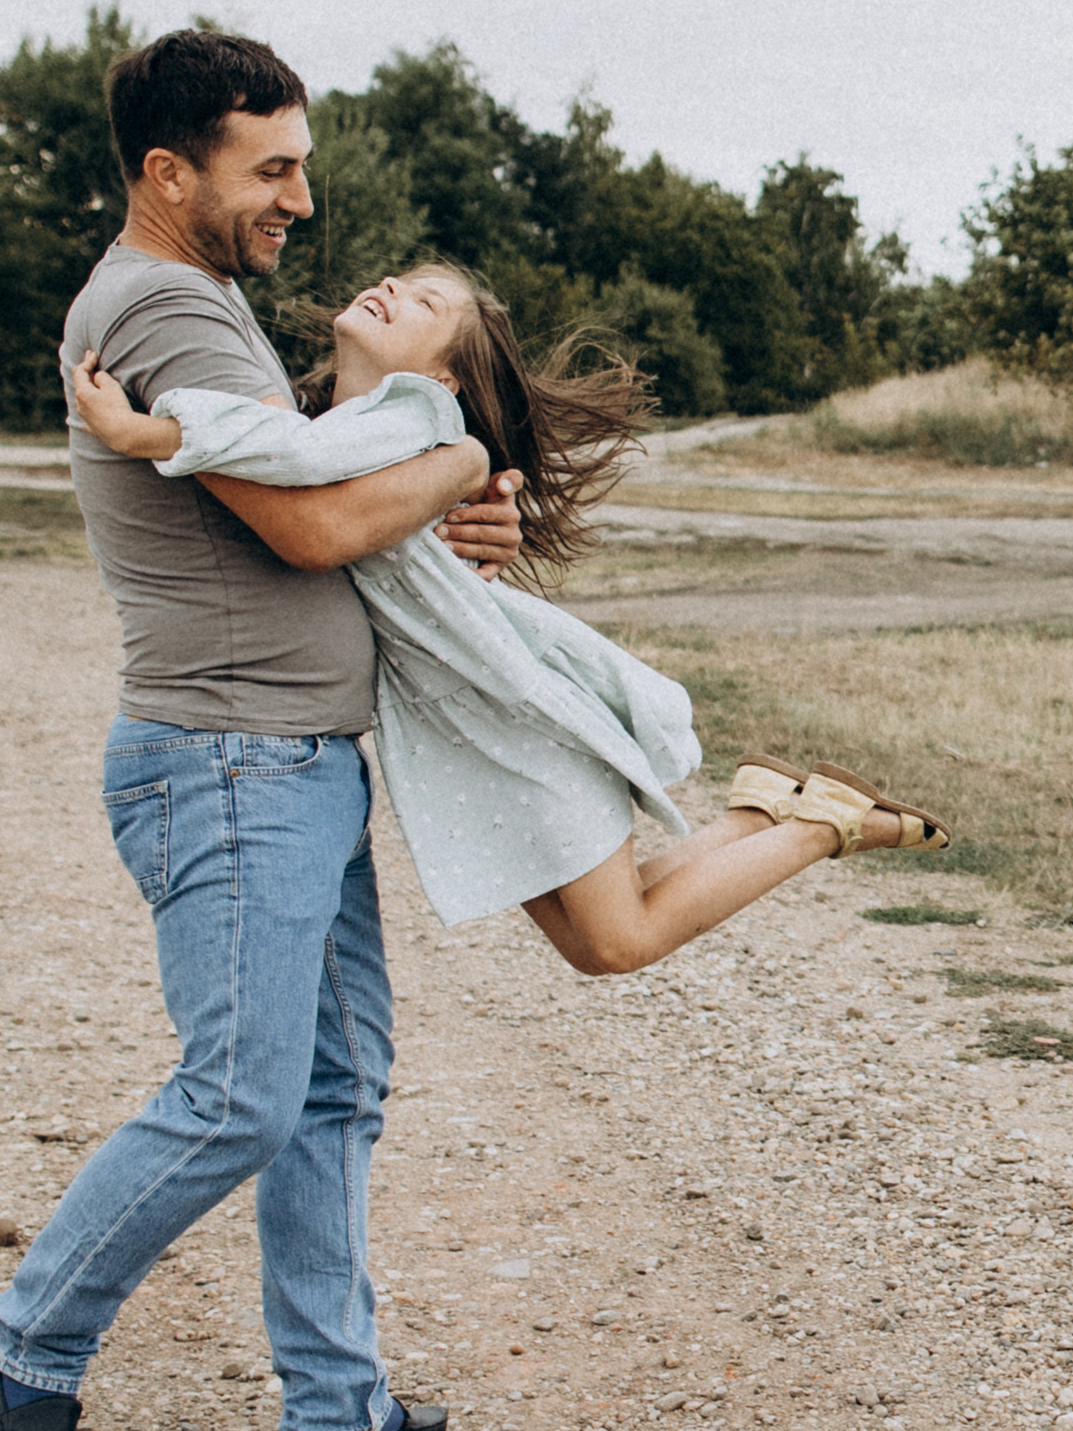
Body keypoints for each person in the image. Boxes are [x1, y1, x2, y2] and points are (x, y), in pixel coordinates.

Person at [0, 29, 527, 1431]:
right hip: (231, 762)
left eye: (300, 165)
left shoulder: (193, 300)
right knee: (239, 1097)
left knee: (332, 1088)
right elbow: (312, 526)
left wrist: (450, 508)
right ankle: (27, 1345)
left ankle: (335, 1406)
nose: (300, 201)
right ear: (169, 172)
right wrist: (459, 458)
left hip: (286, 762)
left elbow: (325, 486)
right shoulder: (167, 309)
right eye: (270, 169)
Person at [72, 260, 953, 972]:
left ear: (444, 376)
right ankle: (758, 813)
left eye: (424, 303)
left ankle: (823, 823)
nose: (389, 287)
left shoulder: (408, 417)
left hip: (508, 721)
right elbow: (301, 452)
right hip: (472, 733)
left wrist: (140, 432)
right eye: (397, 280)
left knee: (618, 942)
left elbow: (287, 453)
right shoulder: (361, 428)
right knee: (593, 940)